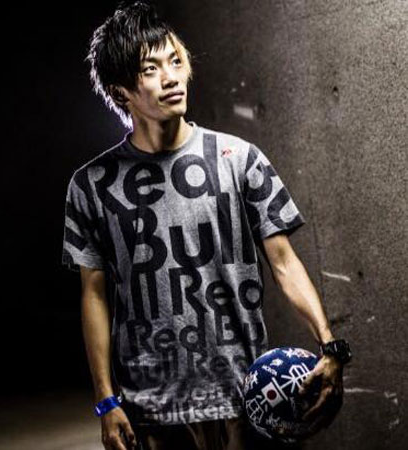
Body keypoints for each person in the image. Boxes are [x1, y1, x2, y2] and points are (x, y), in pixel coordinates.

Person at [61, 1, 350, 449]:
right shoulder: (92, 185)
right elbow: (94, 295)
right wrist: (105, 400)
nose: (171, 77)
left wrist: (330, 347)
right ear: (120, 92)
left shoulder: (240, 159)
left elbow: (284, 264)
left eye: (175, 61)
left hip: (243, 396)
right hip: (151, 407)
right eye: (151, 69)